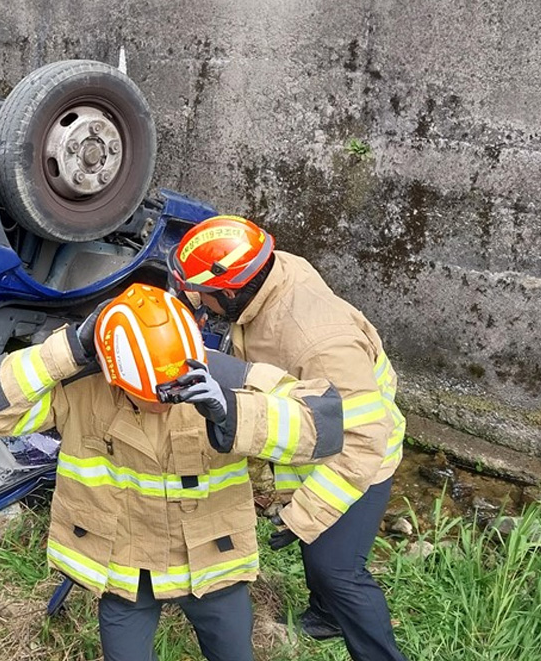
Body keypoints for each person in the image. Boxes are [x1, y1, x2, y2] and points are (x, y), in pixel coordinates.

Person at [0, 283, 345, 661]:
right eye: (149, 396)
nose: (163, 403)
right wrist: (67, 351)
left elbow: (323, 427)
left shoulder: (223, 376)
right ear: (113, 372)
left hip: (211, 562)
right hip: (125, 570)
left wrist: (233, 412)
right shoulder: (81, 387)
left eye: (172, 392)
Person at [167, 215, 408, 661]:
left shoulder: (318, 341)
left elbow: (362, 439)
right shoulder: (270, 274)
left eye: (202, 294)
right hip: (318, 432)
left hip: (363, 452)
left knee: (336, 567)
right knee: (320, 551)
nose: (194, 299)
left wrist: (304, 514)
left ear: (235, 291)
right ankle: (326, 617)